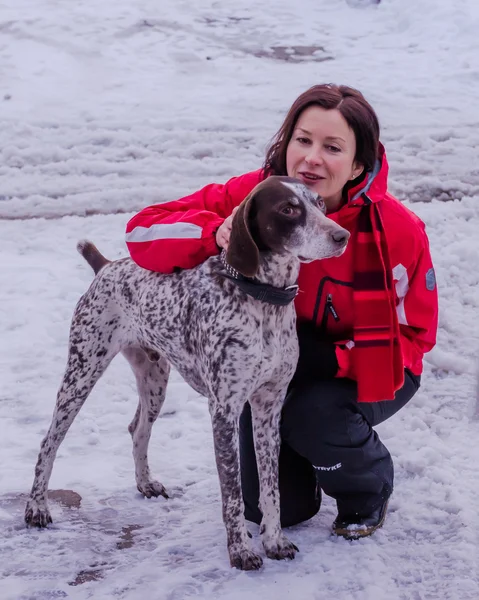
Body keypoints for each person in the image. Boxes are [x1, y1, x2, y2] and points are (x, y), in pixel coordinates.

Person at [125, 84, 438, 539]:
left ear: (357, 164)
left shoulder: (397, 230)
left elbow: (416, 337)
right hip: (274, 357)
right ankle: (307, 470)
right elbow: (140, 234)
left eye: (332, 147)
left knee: (315, 416)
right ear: (286, 142)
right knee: (270, 510)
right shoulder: (257, 198)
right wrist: (215, 234)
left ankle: (364, 488)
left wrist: (335, 360)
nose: (312, 157)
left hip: (370, 365)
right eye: (303, 140)